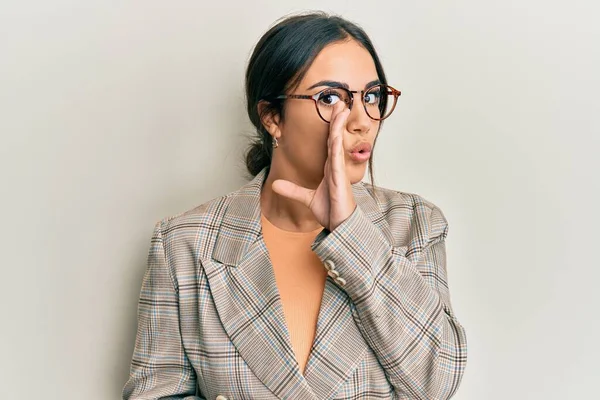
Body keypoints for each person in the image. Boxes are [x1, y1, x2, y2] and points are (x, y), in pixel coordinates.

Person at [122, 11, 467, 400]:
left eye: (371, 96)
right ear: (272, 117)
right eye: (330, 97)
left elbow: (437, 381)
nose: (361, 120)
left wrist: (350, 230)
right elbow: (155, 393)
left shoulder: (414, 225)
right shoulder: (183, 245)